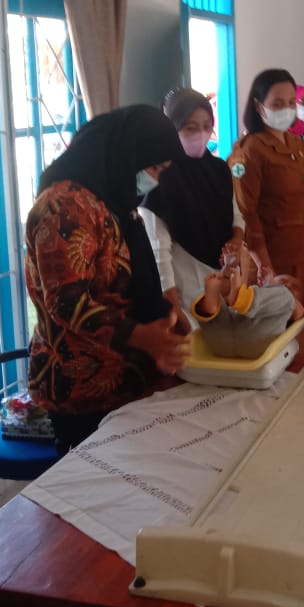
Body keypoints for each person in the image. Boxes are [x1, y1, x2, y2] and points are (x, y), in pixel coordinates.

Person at [25, 106, 190, 452]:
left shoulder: (111, 199)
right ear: (129, 155)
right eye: (154, 168)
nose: (156, 180)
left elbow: (128, 280)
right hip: (81, 391)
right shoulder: (63, 207)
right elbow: (68, 304)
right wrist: (141, 335)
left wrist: (164, 317)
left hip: (125, 384)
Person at [229, 69, 304, 359]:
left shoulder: (296, 144)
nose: (286, 109)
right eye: (277, 103)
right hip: (271, 260)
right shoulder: (248, 152)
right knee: (272, 338)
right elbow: (247, 214)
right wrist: (266, 268)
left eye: (290, 102)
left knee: (301, 329)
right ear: (259, 106)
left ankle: (298, 377)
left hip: (303, 252)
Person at [139, 88, 246, 325]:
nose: (201, 134)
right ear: (171, 128)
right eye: (190, 128)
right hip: (185, 297)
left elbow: (236, 215)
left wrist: (236, 240)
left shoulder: (219, 170)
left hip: (226, 287)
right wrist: (174, 311)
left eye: (207, 126)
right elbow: (159, 254)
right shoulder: (160, 176)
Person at [190, 244, 304, 359]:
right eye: (284, 280)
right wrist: (267, 287)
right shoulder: (254, 292)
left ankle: (229, 287)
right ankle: (211, 305)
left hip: (256, 341)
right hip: (221, 337)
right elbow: (265, 295)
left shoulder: (288, 304)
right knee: (204, 293)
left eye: (294, 287)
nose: (288, 284)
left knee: (286, 298)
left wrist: (283, 292)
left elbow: (299, 312)